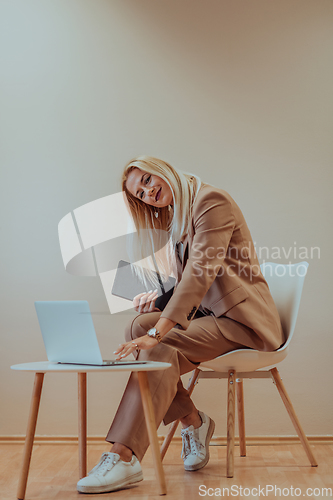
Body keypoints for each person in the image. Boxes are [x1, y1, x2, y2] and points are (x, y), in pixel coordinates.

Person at [77, 156, 284, 494]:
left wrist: (160, 330)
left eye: (146, 180)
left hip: (242, 322)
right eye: (140, 194)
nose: (147, 192)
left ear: (161, 168)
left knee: (156, 343)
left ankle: (124, 455)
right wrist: (156, 302)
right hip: (211, 316)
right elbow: (186, 281)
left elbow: (202, 273)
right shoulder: (179, 217)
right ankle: (193, 421)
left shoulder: (211, 201)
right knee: (136, 328)